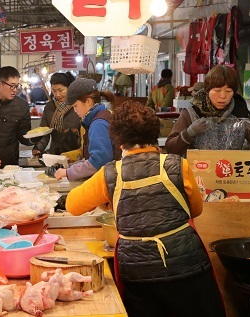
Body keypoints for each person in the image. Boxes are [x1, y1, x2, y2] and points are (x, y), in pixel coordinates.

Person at [65, 101, 226, 317]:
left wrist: (108, 200)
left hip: (138, 273)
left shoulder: (110, 173)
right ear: (154, 134)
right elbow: (195, 210)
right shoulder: (177, 165)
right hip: (186, 266)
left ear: (118, 139)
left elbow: (72, 205)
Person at [165, 65, 250, 156]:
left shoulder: (241, 113)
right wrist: (189, 133)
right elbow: (171, 149)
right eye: (217, 90)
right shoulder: (192, 113)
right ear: (207, 90)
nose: (223, 96)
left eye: (228, 91)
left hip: (233, 175)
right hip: (198, 175)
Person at [52, 78, 117, 181]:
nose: (75, 110)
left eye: (75, 106)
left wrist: (68, 172)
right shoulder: (101, 117)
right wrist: (74, 166)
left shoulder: (98, 124)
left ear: (88, 102)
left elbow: (99, 161)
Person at [32, 72, 81, 156]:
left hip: (75, 155)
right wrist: (38, 148)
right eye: (54, 91)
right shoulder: (49, 107)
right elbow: (44, 132)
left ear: (69, 88)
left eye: (61, 90)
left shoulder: (77, 105)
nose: (57, 94)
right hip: (55, 154)